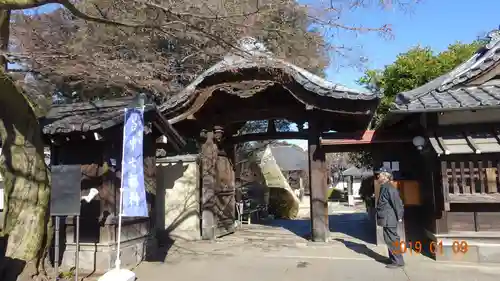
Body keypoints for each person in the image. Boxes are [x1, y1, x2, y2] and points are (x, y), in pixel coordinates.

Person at [375, 167, 405, 268]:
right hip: (386, 218)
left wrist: (399, 216)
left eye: (380, 174)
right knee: (389, 239)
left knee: (392, 239)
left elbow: (397, 202)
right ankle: (393, 258)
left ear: (385, 176)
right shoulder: (385, 187)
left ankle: (398, 261)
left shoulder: (389, 188)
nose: (378, 176)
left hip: (389, 218)